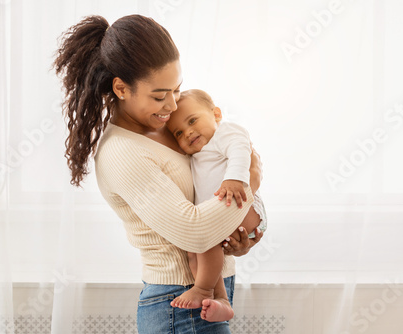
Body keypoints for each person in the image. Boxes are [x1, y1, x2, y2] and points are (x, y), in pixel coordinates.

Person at [54, 14, 263, 333]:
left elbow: (208, 194)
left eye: (176, 90)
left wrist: (239, 239)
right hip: (178, 303)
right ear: (122, 89)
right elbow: (194, 232)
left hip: (208, 296)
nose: (171, 105)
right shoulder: (122, 152)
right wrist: (250, 180)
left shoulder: (169, 127)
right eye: (158, 95)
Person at [167, 89, 267, 320]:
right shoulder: (197, 153)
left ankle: (203, 288)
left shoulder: (226, 133)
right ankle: (218, 298)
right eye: (179, 133)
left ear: (216, 114)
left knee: (204, 240)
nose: (188, 132)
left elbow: (241, 151)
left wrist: (234, 179)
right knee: (194, 250)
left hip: (246, 207)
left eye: (193, 121)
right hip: (225, 217)